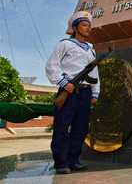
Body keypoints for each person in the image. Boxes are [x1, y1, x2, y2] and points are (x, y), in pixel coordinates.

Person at [46, 11, 100, 174]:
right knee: (62, 127)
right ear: (75, 27)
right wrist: (63, 82)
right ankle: (61, 162)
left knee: (81, 128)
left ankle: (74, 160)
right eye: (84, 25)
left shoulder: (91, 51)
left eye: (89, 26)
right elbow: (51, 65)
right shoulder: (65, 44)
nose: (88, 28)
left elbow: (94, 73)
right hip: (68, 90)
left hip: (85, 93)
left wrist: (95, 92)